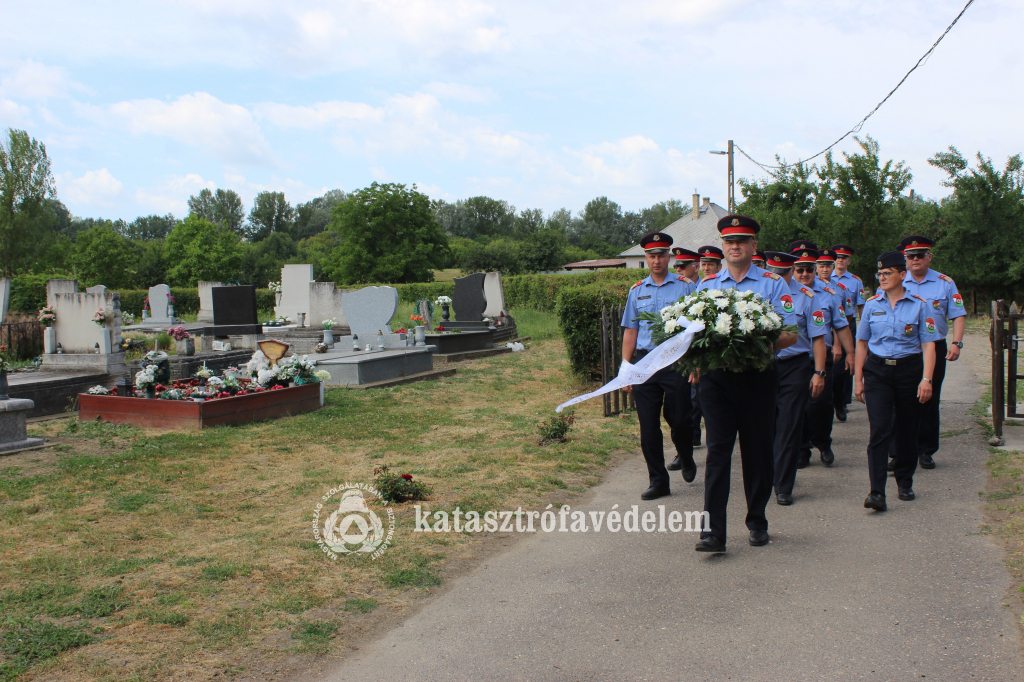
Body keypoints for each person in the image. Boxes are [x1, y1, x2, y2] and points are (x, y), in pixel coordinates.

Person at [692, 216, 799, 553]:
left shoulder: (773, 284)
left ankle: (757, 520)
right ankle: (713, 533)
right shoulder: (706, 286)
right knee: (718, 452)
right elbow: (692, 332)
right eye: (729, 241)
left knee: (757, 452)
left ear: (754, 246)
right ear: (723, 246)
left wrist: (762, 342)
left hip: (757, 377)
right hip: (717, 379)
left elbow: (791, 333)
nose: (734, 246)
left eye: (742, 240)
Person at [854, 251, 939, 511]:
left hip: (909, 371)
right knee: (879, 430)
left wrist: (927, 379)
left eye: (887, 273)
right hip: (878, 372)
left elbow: (928, 344)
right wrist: (858, 379)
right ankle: (877, 492)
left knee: (907, 429)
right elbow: (862, 343)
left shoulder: (920, 304)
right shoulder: (871, 304)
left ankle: (904, 480)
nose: (882, 278)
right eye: (879, 274)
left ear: (902, 275)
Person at [621, 232, 696, 501]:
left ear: (669, 257)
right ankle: (658, 480)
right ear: (646, 258)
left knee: (679, 419)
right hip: (644, 362)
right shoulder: (637, 290)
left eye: (661, 255)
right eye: (651, 256)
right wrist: (626, 367)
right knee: (648, 425)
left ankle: (686, 455)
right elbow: (631, 330)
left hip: (675, 361)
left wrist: (694, 363)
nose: (656, 261)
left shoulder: (685, 286)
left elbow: (696, 329)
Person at [764, 251, 827, 506]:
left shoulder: (807, 297)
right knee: (766, 425)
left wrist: (819, 372)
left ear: (792, 272)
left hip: (795, 366)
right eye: (774, 272)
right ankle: (766, 474)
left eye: (783, 273)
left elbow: (818, 336)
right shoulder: (759, 292)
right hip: (763, 366)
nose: (778, 277)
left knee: (789, 426)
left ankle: (783, 485)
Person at [898, 235, 966, 469]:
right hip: (906, 348)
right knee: (902, 399)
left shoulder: (945, 282)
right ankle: (898, 451)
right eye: (911, 256)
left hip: (935, 347)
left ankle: (925, 450)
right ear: (904, 259)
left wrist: (957, 342)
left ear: (929, 257)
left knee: (929, 398)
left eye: (920, 255)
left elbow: (958, 314)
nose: (915, 259)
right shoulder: (896, 280)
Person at [793, 249, 855, 467]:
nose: (804, 274)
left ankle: (823, 442)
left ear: (815, 270)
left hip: (822, 359)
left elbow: (841, 325)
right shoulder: (784, 293)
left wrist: (851, 353)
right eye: (799, 270)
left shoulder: (829, 293)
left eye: (808, 269)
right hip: (796, 361)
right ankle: (802, 448)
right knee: (798, 406)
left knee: (820, 405)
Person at [691, 245, 723, 448]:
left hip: (723, 355)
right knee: (697, 399)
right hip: (705, 356)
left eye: (711, 264)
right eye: (704, 264)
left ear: (719, 266)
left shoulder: (724, 287)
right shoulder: (701, 287)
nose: (707, 268)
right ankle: (695, 437)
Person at [831, 244, 866, 420]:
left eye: (844, 258)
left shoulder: (855, 281)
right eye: (837, 257)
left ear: (848, 261)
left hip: (847, 323)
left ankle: (842, 401)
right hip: (825, 327)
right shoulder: (823, 275)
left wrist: (866, 329)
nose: (840, 260)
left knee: (844, 364)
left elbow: (860, 306)